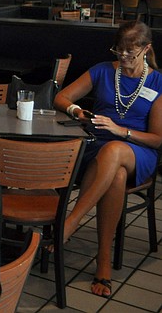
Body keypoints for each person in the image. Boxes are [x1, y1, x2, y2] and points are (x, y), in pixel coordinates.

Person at [54, 22, 162, 297]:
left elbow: (158, 139)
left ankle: (71, 223)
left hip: (138, 149)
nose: (123, 57)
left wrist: (121, 131)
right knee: (116, 175)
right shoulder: (102, 70)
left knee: (115, 150)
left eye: (130, 52)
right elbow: (62, 97)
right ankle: (103, 260)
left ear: (146, 49)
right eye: (119, 50)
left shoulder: (158, 82)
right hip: (96, 146)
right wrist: (78, 112)